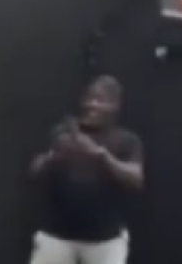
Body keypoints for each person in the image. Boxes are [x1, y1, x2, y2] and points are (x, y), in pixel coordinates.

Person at [27, 75, 143, 264]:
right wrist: (53, 157)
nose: (93, 104)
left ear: (115, 105)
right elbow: (34, 173)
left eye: (101, 100)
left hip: (105, 240)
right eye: (90, 98)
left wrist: (100, 155)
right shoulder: (61, 132)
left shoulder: (127, 140)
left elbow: (136, 179)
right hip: (56, 236)